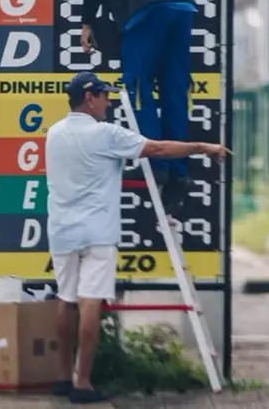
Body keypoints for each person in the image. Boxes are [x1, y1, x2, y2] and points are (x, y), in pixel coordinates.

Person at [45, 71, 229, 404]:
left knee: (66, 300)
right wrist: (203, 146)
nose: (109, 101)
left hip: (61, 230)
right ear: (89, 98)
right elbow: (158, 148)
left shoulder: (54, 134)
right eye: (104, 95)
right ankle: (82, 383)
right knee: (90, 302)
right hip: (97, 231)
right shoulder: (105, 133)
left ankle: (60, 377)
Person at [78, 0, 239, 214]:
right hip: (181, 8)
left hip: (142, 11)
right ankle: (180, 173)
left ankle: (157, 164)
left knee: (138, 88)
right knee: (174, 91)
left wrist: (87, 21)